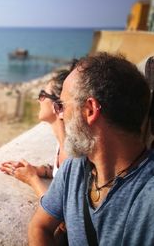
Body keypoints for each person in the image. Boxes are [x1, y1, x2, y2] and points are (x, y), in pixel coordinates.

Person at [28, 52, 154, 245]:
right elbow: (40, 227)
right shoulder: (75, 167)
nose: (60, 116)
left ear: (90, 110)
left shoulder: (147, 201)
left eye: (61, 106)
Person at [0, 68, 70, 197]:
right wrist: (37, 170)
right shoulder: (63, 143)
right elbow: (60, 173)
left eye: (42, 95)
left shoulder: (73, 156)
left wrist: (31, 179)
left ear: (58, 106)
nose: (38, 100)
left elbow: (58, 211)